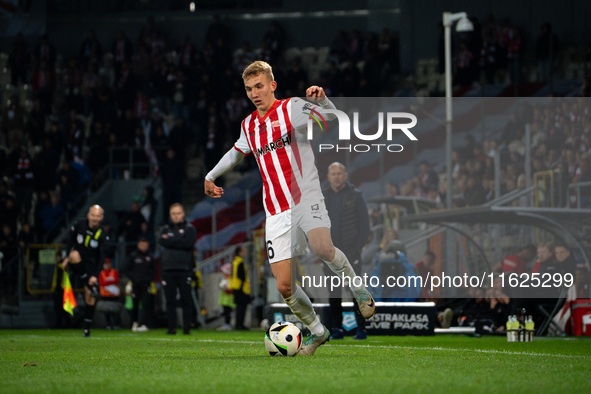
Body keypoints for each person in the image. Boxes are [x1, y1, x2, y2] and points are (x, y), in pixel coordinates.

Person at [204, 61, 375, 356]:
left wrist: (323, 101)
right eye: (248, 89)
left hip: (306, 194)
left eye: (259, 86)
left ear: (272, 85)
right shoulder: (249, 125)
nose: (254, 93)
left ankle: (358, 289)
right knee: (284, 285)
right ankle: (318, 331)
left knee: (322, 248)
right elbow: (236, 152)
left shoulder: (293, 108)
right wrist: (210, 175)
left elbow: (334, 120)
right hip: (276, 209)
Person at [322, 162, 370, 340]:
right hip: (329, 253)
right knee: (334, 294)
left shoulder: (356, 195)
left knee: (356, 291)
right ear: (328, 177)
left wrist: (358, 248)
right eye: (333, 173)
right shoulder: (323, 196)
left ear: (345, 176)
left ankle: (361, 329)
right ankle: (337, 329)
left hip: (351, 253)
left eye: (339, 173)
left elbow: (365, 224)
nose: (336, 176)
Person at [61, 205, 110, 337]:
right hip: (77, 262)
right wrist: (66, 258)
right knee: (74, 254)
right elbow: (71, 240)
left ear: (101, 218)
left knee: (90, 298)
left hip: (91, 266)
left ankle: (87, 329)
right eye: (93, 215)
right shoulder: (79, 224)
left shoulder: (102, 234)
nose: (95, 218)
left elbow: (101, 258)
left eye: (98, 216)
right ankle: (89, 285)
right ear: (88, 215)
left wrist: (94, 275)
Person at [160, 203, 197, 335]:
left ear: (183, 214)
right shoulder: (164, 229)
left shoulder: (189, 228)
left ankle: (187, 328)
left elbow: (187, 243)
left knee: (186, 300)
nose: (176, 216)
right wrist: (179, 241)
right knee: (170, 300)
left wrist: (171, 240)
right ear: (170, 215)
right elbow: (162, 241)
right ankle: (171, 328)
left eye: (178, 213)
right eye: (173, 214)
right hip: (168, 269)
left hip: (184, 268)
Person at [126, 238, 155, 332]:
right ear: (138, 245)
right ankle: (134, 322)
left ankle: (144, 324)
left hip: (146, 284)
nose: (144, 247)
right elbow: (127, 269)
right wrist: (133, 279)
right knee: (135, 304)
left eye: (145, 245)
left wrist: (149, 279)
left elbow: (154, 271)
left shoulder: (150, 256)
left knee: (146, 304)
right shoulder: (133, 256)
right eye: (142, 245)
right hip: (136, 284)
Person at [97, 258, 122, 330]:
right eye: (105, 264)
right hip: (105, 295)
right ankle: (109, 324)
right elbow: (101, 283)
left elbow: (116, 280)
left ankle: (117, 324)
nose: (106, 265)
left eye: (107, 264)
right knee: (106, 311)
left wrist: (107, 283)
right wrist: (110, 282)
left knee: (115, 310)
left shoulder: (114, 272)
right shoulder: (101, 273)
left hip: (114, 295)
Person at [230, 246, 251, 330]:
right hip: (241, 287)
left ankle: (238, 324)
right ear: (240, 252)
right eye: (244, 251)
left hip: (236, 286)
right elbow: (240, 275)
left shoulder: (235, 261)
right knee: (242, 307)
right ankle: (240, 325)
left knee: (239, 307)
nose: (245, 252)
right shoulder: (240, 261)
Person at [217, 261, 235, 331]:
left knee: (227, 312)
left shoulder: (230, 279)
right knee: (226, 312)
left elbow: (231, 289)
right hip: (224, 299)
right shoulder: (226, 279)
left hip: (228, 299)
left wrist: (226, 289)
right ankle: (226, 324)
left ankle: (228, 324)